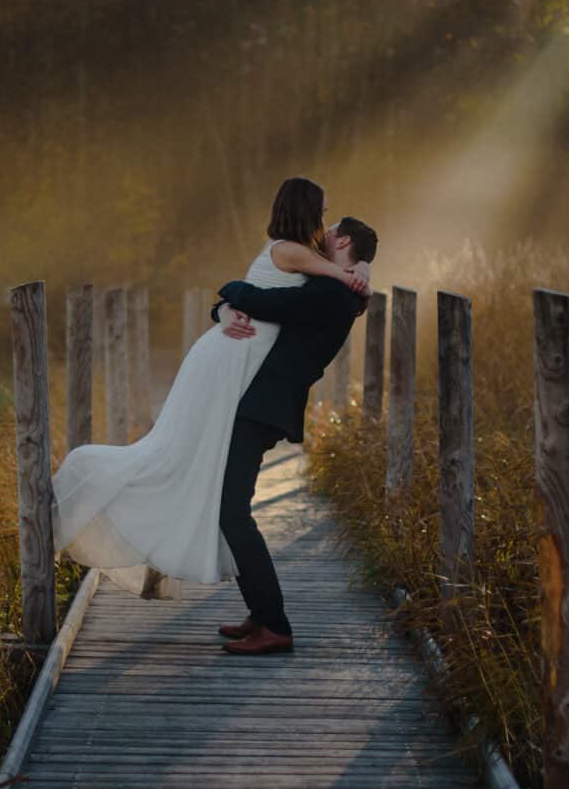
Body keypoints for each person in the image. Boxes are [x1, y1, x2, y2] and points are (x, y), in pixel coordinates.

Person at [51, 178, 369, 603]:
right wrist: (356, 270)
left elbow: (285, 293)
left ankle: (222, 582)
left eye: (332, 223)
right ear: (307, 211)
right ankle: (254, 608)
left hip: (239, 370)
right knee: (183, 457)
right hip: (227, 363)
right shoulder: (295, 252)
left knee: (201, 467)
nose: (325, 224)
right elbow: (315, 281)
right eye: (323, 214)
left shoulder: (313, 270)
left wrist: (361, 266)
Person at [209, 213, 378, 655]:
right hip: (261, 403)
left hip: (264, 407)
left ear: (343, 243)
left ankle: (275, 625)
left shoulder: (331, 293)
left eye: (332, 229)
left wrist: (229, 291)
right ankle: (261, 613)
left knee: (231, 511)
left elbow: (264, 303)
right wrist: (225, 307)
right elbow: (261, 307)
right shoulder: (336, 286)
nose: (323, 233)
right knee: (232, 508)